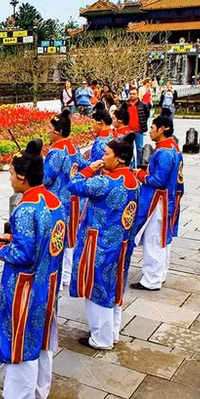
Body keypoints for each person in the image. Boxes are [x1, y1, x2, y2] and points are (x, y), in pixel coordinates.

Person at [0, 139, 66, 399]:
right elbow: (50, 242)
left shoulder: (25, 209)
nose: (9, 179)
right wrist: (15, 239)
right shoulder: (55, 201)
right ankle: (39, 394)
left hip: (24, 287)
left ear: (22, 176)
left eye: (9, 173)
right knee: (42, 342)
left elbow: (22, 254)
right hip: (47, 283)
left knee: (19, 344)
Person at [68, 134, 139, 350]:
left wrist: (90, 168)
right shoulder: (133, 180)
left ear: (119, 159)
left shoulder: (105, 182)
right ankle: (112, 332)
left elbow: (74, 184)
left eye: (107, 154)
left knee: (97, 289)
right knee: (115, 288)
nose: (103, 157)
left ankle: (101, 338)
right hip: (121, 243)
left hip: (99, 244)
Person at [131, 113, 183, 291]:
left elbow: (158, 180)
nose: (150, 132)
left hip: (158, 201)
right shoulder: (173, 148)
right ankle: (160, 273)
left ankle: (152, 279)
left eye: (152, 128)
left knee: (154, 238)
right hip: (169, 198)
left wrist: (140, 174)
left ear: (162, 129)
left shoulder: (163, 153)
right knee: (163, 239)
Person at [43, 109, 82, 289]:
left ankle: (56, 278)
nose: (48, 131)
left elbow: (46, 178)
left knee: (56, 237)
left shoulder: (57, 151)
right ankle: (66, 275)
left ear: (58, 131)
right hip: (73, 199)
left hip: (56, 201)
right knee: (69, 238)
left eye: (50, 128)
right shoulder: (74, 148)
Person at [126, 87, 149, 164]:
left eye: (134, 94)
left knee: (139, 149)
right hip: (128, 131)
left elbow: (146, 115)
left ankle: (139, 165)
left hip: (138, 130)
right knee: (129, 149)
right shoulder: (126, 105)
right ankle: (131, 166)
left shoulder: (143, 105)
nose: (132, 95)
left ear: (137, 94)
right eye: (131, 94)